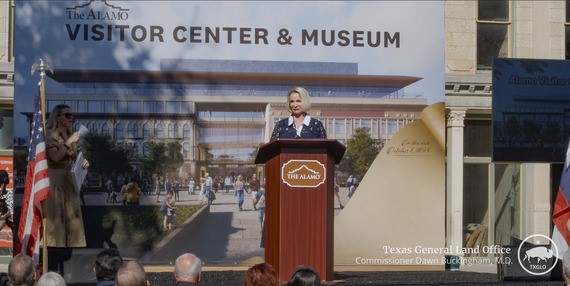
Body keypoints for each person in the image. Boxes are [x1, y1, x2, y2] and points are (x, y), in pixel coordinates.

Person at [45, 104, 88, 247]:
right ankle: (55, 249)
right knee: (56, 217)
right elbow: (55, 157)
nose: (71, 118)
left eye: (72, 115)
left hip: (70, 181)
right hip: (56, 181)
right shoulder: (50, 134)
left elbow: (75, 158)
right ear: (57, 117)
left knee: (73, 218)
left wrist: (84, 162)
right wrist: (69, 142)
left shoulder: (71, 136)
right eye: (67, 115)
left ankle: (75, 249)